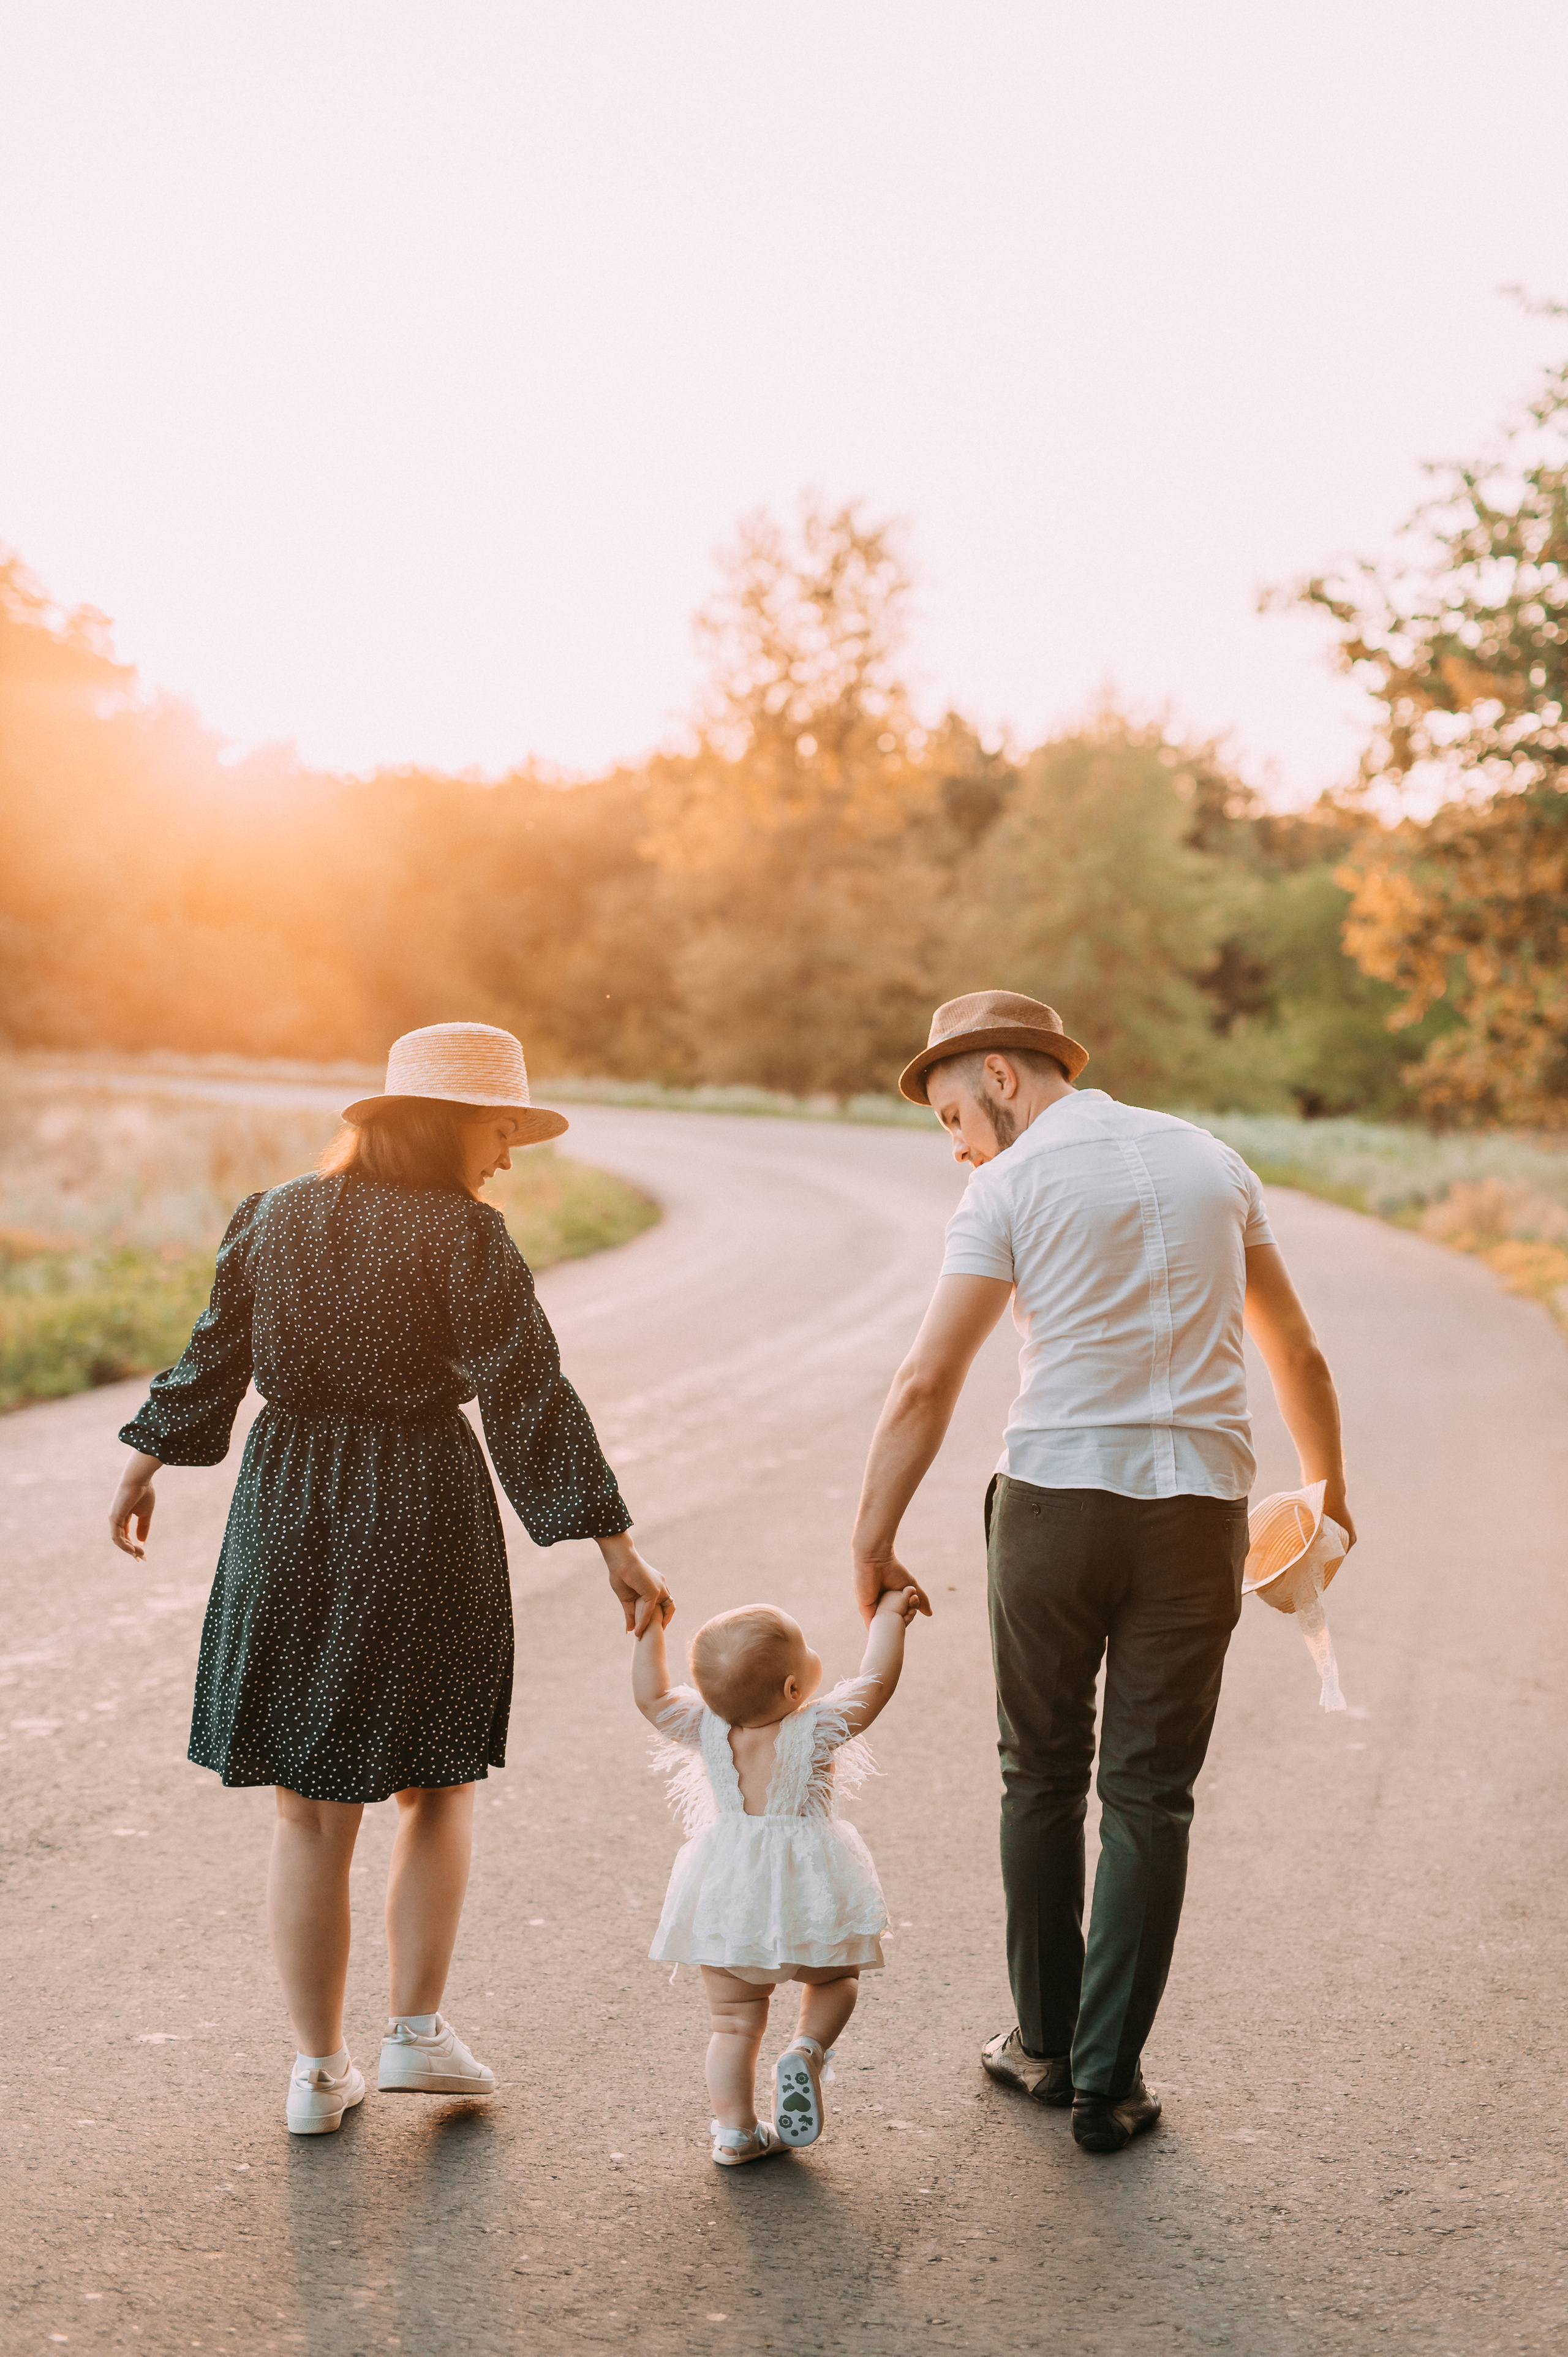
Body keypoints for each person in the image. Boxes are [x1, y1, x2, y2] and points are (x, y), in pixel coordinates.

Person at [108, 1022, 671, 2136]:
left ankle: (317, 2070)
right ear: (454, 1126)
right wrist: (611, 1539)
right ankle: (414, 2030)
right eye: (502, 1133)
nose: (506, 1157)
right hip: (419, 1498)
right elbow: (528, 1393)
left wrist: (142, 1461)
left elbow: (213, 1350)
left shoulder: (273, 1215)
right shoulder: (465, 1235)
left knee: (310, 1813)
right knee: (436, 1776)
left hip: (290, 1500)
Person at [850, 989, 1354, 2153]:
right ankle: (1109, 2077)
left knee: (1038, 1775)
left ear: (1004, 1076)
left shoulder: (1007, 1187)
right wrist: (1327, 1493)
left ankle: (1042, 2039)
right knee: (1148, 1797)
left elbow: (926, 1382)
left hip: (1056, 1508)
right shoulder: (1215, 1162)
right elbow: (1299, 1347)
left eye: (952, 1114)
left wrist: (869, 1538)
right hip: (1197, 1515)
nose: (957, 1142)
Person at [634, 1589, 920, 2165]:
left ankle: (735, 2132)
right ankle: (807, 2049)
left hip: (729, 1890)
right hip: (807, 1888)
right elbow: (875, 1683)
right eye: (807, 1649)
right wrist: (890, 1618)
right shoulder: (816, 1726)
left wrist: (649, 1631)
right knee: (836, 1979)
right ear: (794, 1689)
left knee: (733, 2022)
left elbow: (652, 1697)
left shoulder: (705, 1726)